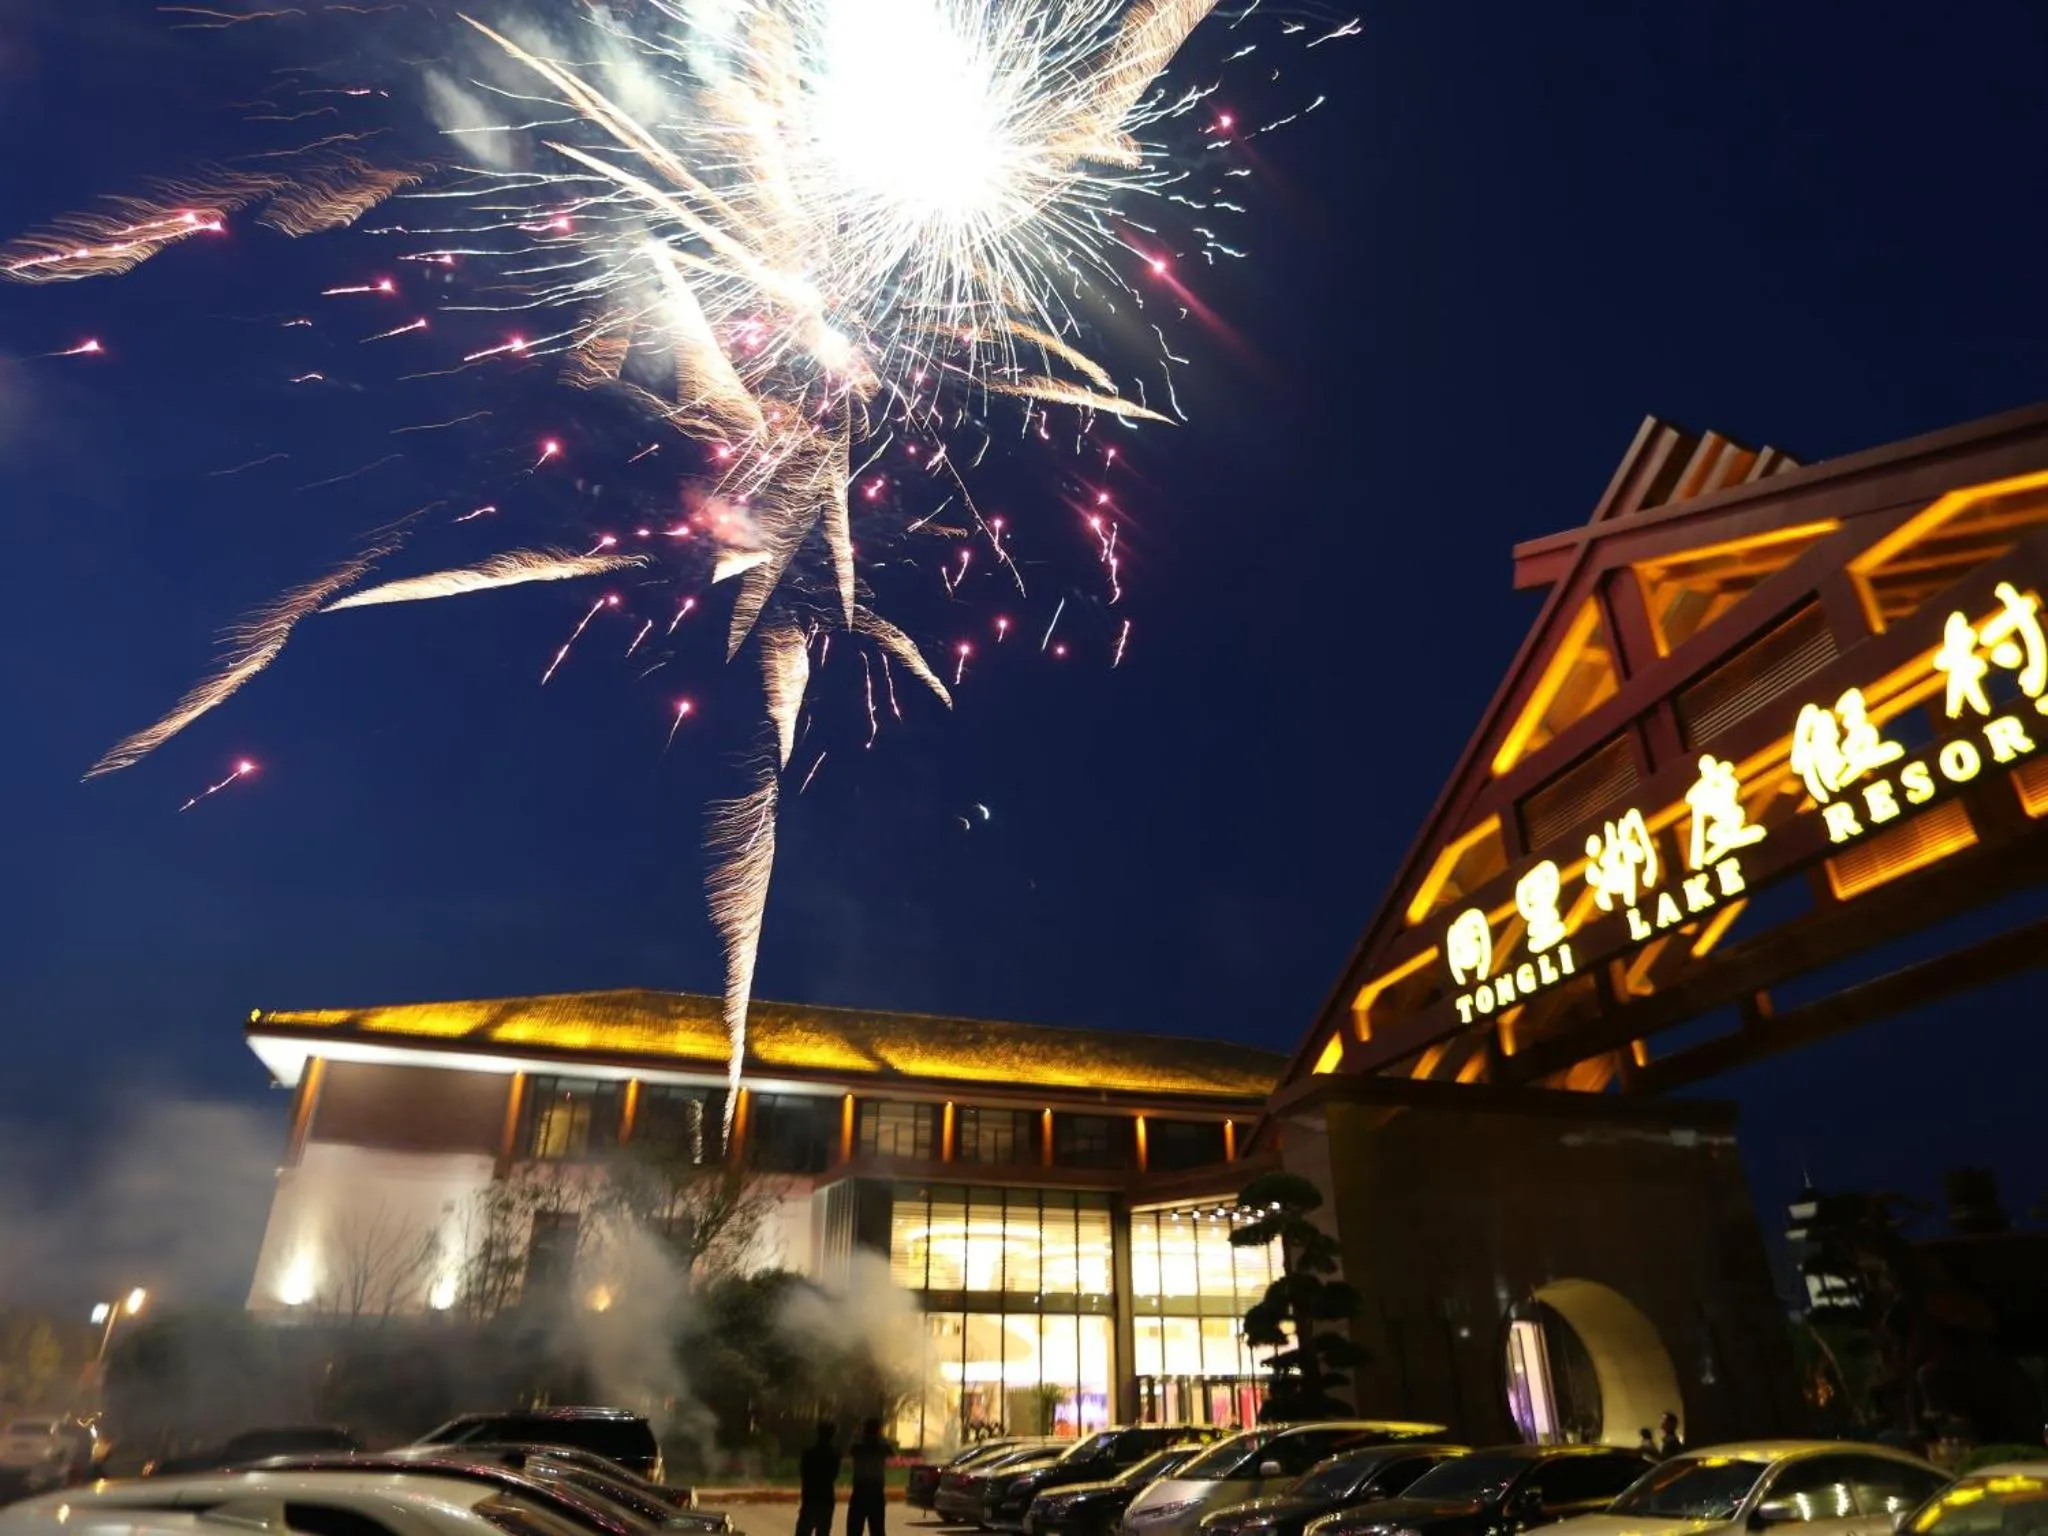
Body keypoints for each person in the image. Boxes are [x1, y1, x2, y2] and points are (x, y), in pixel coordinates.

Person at [846, 1416, 894, 1536]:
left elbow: (851, 1450)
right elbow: (890, 1452)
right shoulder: (881, 1445)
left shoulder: (858, 1445)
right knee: (877, 1529)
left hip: (861, 1490)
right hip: (875, 1491)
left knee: (855, 1529)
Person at [797, 1422, 840, 1536]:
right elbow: (834, 1475)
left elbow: (803, 1473)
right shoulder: (834, 1455)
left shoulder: (808, 1454)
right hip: (826, 1499)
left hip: (810, 1498)